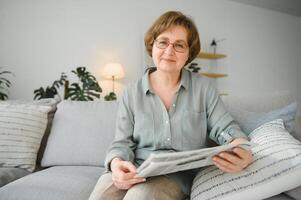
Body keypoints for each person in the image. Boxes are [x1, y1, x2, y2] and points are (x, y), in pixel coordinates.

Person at [89, 11, 253, 200]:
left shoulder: (204, 88)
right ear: (153, 45)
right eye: (163, 42)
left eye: (179, 45)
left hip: (175, 175)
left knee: (139, 197)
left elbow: (226, 129)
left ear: (188, 54)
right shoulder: (131, 92)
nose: (169, 51)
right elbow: (122, 142)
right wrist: (117, 163)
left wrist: (243, 150)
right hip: (136, 166)